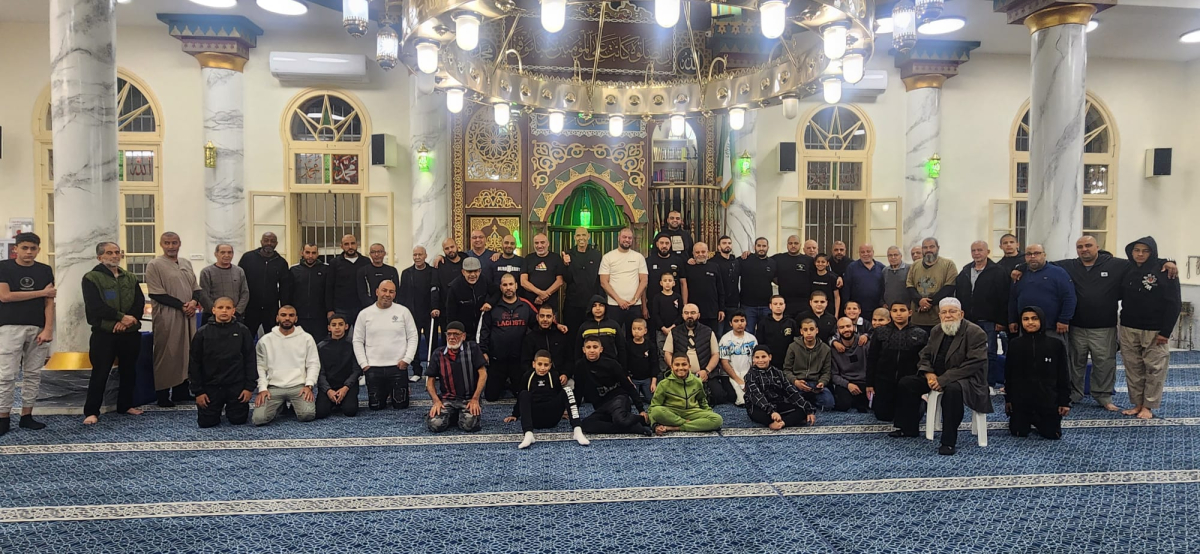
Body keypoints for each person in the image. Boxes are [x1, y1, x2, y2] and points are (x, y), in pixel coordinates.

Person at [1011, 235, 1176, 411]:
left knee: (1104, 364)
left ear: (1097, 247)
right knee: (1074, 363)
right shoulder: (1069, 265)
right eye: (1080, 247)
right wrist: (1020, 267)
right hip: (1077, 326)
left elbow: (1142, 261)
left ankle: (1103, 396)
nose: (1084, 249)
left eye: (1088, 245)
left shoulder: (1116, 264)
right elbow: (1040, 262)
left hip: (1104, 326)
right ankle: (1073, 394)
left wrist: (1167, 262)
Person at [891, 298, 992, 455]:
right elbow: (925, 355)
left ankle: (948, 442)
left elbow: (973, 364)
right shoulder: (937, 330)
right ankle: (908, 428)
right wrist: (929, 374)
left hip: (966, 379)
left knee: (952, 390)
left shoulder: (975, 332)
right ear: (939, 315)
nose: (948, 315)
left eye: (952, 311)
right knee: (907, 383)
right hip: (937, 375)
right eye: (944, 312)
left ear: (961, 314)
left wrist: (943, 380)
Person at [82, 241, 146, 424]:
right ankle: (91, 412)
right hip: (104, 334)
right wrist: (120, 318)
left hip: (129, 332)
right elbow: (95, 306)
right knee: (100, 372)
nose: (114, 256)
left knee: (129, 371)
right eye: (109, 253)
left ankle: (125, 405)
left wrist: (128, 320)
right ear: (99, 257)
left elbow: (139, 302)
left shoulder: (130, 277)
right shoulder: (91, 278)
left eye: (117, 252)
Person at [1118, 236, 1182, 420]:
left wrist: (1165, 332)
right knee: (1133, 368)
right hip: (1128, 327)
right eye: (1136, 250)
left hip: (1155, 330)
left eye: (1145, 251)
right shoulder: (1127, 269)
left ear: (1152, 252)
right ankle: (1137, 404)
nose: (1140, 254)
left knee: (1155, 368)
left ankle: (1148, 406)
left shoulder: (1165, 271)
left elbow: (1174, 304)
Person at [0, 232, 54, 435]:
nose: (29, 252)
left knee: (33, 374)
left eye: (33, 248)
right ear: (16, 249)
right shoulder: (4, 267)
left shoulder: (44, 270)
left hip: (38, 327)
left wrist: (48, 328)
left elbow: (49, 302)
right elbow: (5, 296)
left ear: (38, 250)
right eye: (25, 248)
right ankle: (3, 417)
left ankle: (27, 416)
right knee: (6, 375)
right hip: (10, 327)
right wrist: (41, 292)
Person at [145, 231, 202, 407]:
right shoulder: (154, 265)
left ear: (179, 243)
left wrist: (194, 302)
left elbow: (196, 288)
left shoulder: (185, 263)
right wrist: (182, 306)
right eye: (167, 243)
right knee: (167, 353)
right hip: (167, 315)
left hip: (188, 315)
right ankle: (163, 394)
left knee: (186, 352)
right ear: (161, 244)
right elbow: (156, 293)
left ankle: (181, 392)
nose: (171, 246)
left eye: (174, 243)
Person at [188, 297, 255, 428]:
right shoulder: (202, 333)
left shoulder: (243, 331)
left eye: (228, 308)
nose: (224, 311)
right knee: (207, 423)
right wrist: (198, 392)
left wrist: (249, 388)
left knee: (238, 420)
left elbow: (250, 360)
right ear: (213, 310)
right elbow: (194, 363)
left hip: (236, 386)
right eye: (220, 307)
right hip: (211, 386)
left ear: (233, 311)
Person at [1005, 306, 1070, 439]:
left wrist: (1064, 402)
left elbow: (1063, 375)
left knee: (1052, 435)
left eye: (1034, 318)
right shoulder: (1014, 344)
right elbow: (1009, 374)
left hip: (1048, 401)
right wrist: (1009, 400)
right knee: (1018, 432)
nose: (1030, 322)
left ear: (1042, 320)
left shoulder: (1055, 345)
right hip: (1022, 402)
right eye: (1026, 319)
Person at [354, 280, 419, 410]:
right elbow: (357, 340)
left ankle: (398, 389)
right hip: (373, 368)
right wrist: (364, 364)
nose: (387, 294)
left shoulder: (403, 312)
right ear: (377, 292)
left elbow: (413, 336)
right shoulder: (364, 314)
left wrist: (407, 359)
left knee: (401, 405)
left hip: (398, 367)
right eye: (384, 290)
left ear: (395, 294)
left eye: (391, 291)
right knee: (376, 407)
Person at [954, 240, 1010, 392]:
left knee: (989, 353)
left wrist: (1001, 320)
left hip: (989, 320)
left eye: (980, 250)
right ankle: (970, 383)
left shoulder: (998, 271)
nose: (976, 253)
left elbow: (1004, 297)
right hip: (968, 320)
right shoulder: (965, 271)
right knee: (967, 352)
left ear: (987, 252)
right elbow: (959, 294)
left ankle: (989, 384)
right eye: (973, 250)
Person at [505, 349, 590, 448]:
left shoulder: (554, 375)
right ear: (534, 364)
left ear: (550, 365)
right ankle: (528, 434)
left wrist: (562, 410)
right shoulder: (527, 376)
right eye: (539, 364)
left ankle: (577, 431)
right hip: (535, 418)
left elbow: (559, 395)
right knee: (524, 393)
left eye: (546, 365)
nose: (542, 368)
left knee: (567, 390)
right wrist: (515, 414)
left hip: (552, 417)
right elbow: (521, 397)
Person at [252, 306, 320, 426]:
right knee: (259, 419)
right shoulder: (265, 340)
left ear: (296, 318)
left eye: (291, 315)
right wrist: (262, 389)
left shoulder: (307, 338)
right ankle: (279, 406)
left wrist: (309, 385)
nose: (287, 318)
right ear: (277, 318)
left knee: (307, 415)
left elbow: (313, 363)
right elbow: (260, 366)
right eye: (283, 315)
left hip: (299, 386)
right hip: (273, 387)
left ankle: (294, 405)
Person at [576, 336, 652, 436]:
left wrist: (641, 409)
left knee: (620, 420)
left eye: (595, 347)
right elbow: (578, 390)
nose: (592, 350)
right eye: (588, 347)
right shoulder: (580, 366)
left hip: (618, 399)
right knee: (586, 425)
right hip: (601, 406)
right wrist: (573, 412)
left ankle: (641, 419)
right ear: (584, 350)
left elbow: (628, 386)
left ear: (601, 349)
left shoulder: (611, 364)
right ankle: (632, 427)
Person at [866, 302, 928, 423]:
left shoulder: (920, 333)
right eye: (895, 311)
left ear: (910, 312)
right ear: (890, 313)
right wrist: (870, 384)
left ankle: (921, 402)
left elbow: (924, 360)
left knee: (910, 415)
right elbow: (872, 358)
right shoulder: (880, 332)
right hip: (884, 381)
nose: (898, 314)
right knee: (883, 416)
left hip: (907, 382)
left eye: (902, 310)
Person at [480, 274, 538, 401]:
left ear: (516, 286)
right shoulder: (492, 307)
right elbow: (484, 331)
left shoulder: (525, 305)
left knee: (521, 395)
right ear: (500, 287)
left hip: (518, 360)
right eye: (505, 285)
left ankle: (509, 384)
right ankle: (503, 383)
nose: (508, 288)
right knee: (491, 397)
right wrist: (483, 351)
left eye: (511, 284)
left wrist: (557, 325)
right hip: (497, 359)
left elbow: (539, 324)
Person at [663, 304, 735, 405]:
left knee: (719, 395)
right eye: (686, 313)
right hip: (680, 373)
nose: (689, 316)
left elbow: (715, 354)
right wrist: (676, 369)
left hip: (704, 374)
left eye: (693, 313)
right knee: (667, 394)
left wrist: (706, 371)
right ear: (682, 315)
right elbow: (667, 353)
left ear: (699, 315)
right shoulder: (674, 332)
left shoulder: (708, 332)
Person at [1008, 244, 1076, 348]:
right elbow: (1013, 299)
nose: (1032, 257)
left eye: (1036, 253)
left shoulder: (1058, 273)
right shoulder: (1019, 275)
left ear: (1044, 255)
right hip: (1026, 328)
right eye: (1029, 254)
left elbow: (1069, 298)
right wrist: (1012, 320)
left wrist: (1064, 320)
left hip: (1053, 328)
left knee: (1054, 355)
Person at [425, 321, 487, 432]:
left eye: (456, 334)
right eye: (449, 334)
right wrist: (436, 401)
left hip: (468, 399)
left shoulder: (472, 348)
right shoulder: (438, 353)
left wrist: (475, 399)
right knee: (435, 425)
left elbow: (483, 374)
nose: (452, 337)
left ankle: (455, 416)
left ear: (463, 336)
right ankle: (453, 415)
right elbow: (430, 380)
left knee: (469, 426)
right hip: (447, 399)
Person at [744, 345, 816, 429]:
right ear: (753, 359)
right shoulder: (750, 375)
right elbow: (756, 395)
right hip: (759, 406)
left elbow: (791, 391)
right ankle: (774, 421)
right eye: (757, 357)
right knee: (761, 415)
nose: (760, 360)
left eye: (763, 357)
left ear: (770, 357)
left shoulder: (778, 372)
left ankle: (782, 422)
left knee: (802, 410)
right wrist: (771, 411)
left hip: (776, 403)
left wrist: (808, 409)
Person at [649, 356, 724, 435]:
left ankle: (675, 428)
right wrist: (654, 425)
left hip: (692, 412)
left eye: (684, 364)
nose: (680, 368)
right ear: (672, 367)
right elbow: (653, 407)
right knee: (656, 411)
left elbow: (702, 401)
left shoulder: (697, 382)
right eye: (677, 365)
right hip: (672, 414)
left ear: (689, 366)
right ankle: (690, 424)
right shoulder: (663, 384)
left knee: (718, 419)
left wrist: (709, 414)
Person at [238, 232, 293, 336]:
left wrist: (284, 308)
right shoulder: (248, 258)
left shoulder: (281, 262)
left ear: (276, 243)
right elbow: (240, 281)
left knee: (274, 337)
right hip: (250, 307)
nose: (269, 243)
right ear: (261, 242)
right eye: (266, 240)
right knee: (246, 337)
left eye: (272, 241)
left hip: (271, 309)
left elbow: (285, 288)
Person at [600, 228, 648, 332]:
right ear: (619, 238)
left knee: (635, 336)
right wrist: (619, 300)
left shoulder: (639, 257)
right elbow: (603, 282)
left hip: (634, 305)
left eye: (629, 238)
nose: (627, 240)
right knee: (613, 334)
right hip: (614, 305)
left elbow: (644, 280)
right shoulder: (608, 257)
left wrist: (635, 299)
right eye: (624, 237)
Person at [398, 246, 436, 381]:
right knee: (414, 343)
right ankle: (416, 371)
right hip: (412, 314)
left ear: (425, 256)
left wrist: (435, 307)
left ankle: (433, 371)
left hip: (430, 314)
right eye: (415, 255)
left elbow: (436, 291)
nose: (417, 257)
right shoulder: (406, 273)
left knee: (432, 343)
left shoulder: (433, 272)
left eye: (420, 254)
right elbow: (402, 294)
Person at [562, 227, 602, 351]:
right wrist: (565, 265)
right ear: (574, 237)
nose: (581, 238)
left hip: (591, 305)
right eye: (578, 235)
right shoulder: (568, 254)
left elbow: (599, 279)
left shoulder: (596, 255)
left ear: (588, 236)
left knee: (591, 336)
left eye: (583, 235)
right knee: (572, 337)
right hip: (572, 304)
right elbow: (566, 279)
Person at [906, 237, 957, 332]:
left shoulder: (948, 265)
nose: (928, 250)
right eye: (925, 247)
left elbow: (949, 287)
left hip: (939, 318)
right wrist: (920, 301)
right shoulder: (915, 265)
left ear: (938, 248)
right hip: (917, 318)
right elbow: (909, 286)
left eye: (932, 247)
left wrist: (928, 303)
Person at [783, 318, 834, 410]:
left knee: (829, 403)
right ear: (801, 332)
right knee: (786, 401)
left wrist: (822, 382)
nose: (809, 333)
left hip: (815, 384)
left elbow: (826, 372)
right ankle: (807, 401)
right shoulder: (793, 347)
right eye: (805, 330)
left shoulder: (825, 349)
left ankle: (805, 401)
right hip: (798, 382)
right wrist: (795, 381)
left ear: (817, 330)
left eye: (811, 329)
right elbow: (786, 370)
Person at [315, 314, 360, 419]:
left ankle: (341, 401)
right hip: (329, 386)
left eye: (340, 324)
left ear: (346, 326)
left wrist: (345, 388)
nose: (337, 327)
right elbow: (319, 372)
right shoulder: (321, 347)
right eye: (334, 325)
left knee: (350, 411)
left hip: (347, 386)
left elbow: (356, 370)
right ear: (329, 328)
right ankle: (333, 401)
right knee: (321, 413)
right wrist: (328, 390)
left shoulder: (353, 345)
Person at [290, 243, 332, 343]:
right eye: (307, 252)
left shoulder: (326, 270)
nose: (310, 256)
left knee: (319, 344)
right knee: (300, 343)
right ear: (302, 253)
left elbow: (330, 291)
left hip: (320, 316)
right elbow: (289, 292)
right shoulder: (294, 270)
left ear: (318, 254)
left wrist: (330, 310)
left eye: (313, 253)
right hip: (300, 315)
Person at [442, 257, 491, 340]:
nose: (472, 275)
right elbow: (450, 315)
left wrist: (489, 302)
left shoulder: (484, 281)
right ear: (463, 272)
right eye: (469, 271)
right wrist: (455, 333)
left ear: (480, 271)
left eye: (475, 271)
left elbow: (496, 292)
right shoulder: (454, 288)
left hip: (482, 331)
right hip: (463, 333)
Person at [199, 244, 249, 323]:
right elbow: (203, 295)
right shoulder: (207, 272)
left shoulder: (239, 271)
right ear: (216, 254)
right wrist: (217, 312)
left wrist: (236, 312)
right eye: (222, 252)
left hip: (235, 317)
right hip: (212, 317)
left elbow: (245, 293)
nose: (226, 255)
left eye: (229, 252)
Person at [830, 317, 870, 413]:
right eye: (842, 327)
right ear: (838, 331)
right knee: (843, 405)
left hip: (864, 381)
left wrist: (870, 384)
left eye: (848, 326)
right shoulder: (833, 349)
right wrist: (848, 385)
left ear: (854, 327)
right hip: (846, 382)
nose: (846, 329)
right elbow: (833, 375)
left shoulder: (865, 344)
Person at [683, 242, 725, 330]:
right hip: (693, 312)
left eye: (703, 252)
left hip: (712, 311)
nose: (700, 254)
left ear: (707, 252)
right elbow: (684, 287)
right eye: (697, 252)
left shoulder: (714, 266)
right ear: (693, 253)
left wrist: (721, 309)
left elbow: (720, 289)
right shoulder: (687, 267)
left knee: (712, 336)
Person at [643, 235, 687, 317]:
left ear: (670, 244)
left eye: (667, 243)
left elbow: (683, 283)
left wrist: (685, 305)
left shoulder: (678, 261)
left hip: (674, 305)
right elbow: (644, 285)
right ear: (657, 244)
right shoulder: (648, 261)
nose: (664, 246)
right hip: (653, 305)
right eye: (661, 243)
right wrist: (644, 307)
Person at [648, 272, 682, 376]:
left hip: (675, 331)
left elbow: (680, 314)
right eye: (665, 281)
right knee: (662, 352)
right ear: (661, 283)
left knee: (676, 351)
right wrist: (663, 328)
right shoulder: (657, 297)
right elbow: (655, 314)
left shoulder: (677, 297)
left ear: (674, 283)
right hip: (661, 331)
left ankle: (675, 372)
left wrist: (673, 327)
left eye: (670, 280)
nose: (667, 283)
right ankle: (664, 373)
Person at [739, 237, 776, 334]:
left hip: (766, 306)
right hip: (748, 306)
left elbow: (777, 279)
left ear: (768, 247)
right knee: (748, 334)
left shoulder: (772, 263)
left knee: (766, 333)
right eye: (759, 246)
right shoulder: (745, 259)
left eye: (764, 246)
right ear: (754, 247)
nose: (761, 248)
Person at [718, 311, 756, 405]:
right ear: (730, 323)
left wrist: (748, 379)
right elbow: (724, 363)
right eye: (736, 321)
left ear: (746, 322)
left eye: (742, 320)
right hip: (730, 375)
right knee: (732, 397)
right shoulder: (725, 339)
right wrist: (739, 381)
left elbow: (755, 361)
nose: (740, 324)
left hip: (748, 373)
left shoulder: (752, 339)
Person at [576, 295, 626, 366]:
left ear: (606, 307)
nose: (598, 308)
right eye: (594, 306)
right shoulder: (584, 327)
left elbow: (621, 348)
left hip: (610, 365)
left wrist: (623, 368)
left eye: (601, 305)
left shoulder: (613, 325)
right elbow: (578, 349)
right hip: (589, 366)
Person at [773, 235, 814, 320]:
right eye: (790, 243)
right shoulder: (778, 258)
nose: (793, 245)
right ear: (787, 244)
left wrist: (837, 277)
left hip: (804, 303)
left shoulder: (809, 260)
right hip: (785, 302)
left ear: (800, 245)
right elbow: (763, 260)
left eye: (796, 243)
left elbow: (822, 271)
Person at [328, 234, 365, 326]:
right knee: (340, 333)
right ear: (341, 246)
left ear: (357, 245)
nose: (350, 247)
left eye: (352, 243)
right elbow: (329, 287)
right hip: (341, 308)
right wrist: (329, 309)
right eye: (346, 244)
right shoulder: (334, 263)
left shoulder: (365, 262)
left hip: (361, 307)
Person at [430, 238, 464, 335]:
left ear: (457, 246)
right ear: (443, 250)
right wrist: (435, 307)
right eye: (447, 248)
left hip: (464, 309)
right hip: (446, 310)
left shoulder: (466, 260)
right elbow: (435, 287)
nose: (450, 250)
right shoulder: (439, 264)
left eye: (452, 247)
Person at [520, 233, 565, 309]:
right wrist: (540, 293)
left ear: (548, 244)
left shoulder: (556, 258)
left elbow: (560, 281)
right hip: (531, 303)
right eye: (536, 243)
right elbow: (523, 282)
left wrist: (544, 295)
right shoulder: (528, 258)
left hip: (551, 304)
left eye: (542, 242)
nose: (539, 246)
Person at [521, 305, 569, 371]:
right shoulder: (529, 338)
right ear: (537, 317)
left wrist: (565, 374)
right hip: (537, 375)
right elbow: (525, 364)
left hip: (559, 375)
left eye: (548, 316)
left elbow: (569, 359)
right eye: (542, 316)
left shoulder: (561, 336)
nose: (545, 319)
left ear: (553, 318)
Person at [842, 244, 884, 318]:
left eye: (868, 251)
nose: (865, 254)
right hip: (857, 311)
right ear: (859, 253)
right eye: (862, 252)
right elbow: (846, 288)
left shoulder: (881, 267)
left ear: (873, 252)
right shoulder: (852, 267)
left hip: (877, 309)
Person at [712, 236, 742, 337]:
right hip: (718, 305)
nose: (727, 245)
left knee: (731, 334)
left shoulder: (736, 262)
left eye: (729, 243)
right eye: (724, 243)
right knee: (718, 334)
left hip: (733, 303)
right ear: (719, 246)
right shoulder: (713, 262)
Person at [356, 243, 401, 310]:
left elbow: (395, 291)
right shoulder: (362, 271)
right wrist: (375, 307)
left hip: (389, 307)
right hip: (369, 308)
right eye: (373, 252)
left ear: (384, 253)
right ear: (370, 254)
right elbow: (362, 293)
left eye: (379, 252)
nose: (376, 254)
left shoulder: (392, 271)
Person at [755, 296, 796, 366]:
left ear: (785, 306)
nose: (778, 306)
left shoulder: (791, 322)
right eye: (775, 304)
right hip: (770, 361)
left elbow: (795, 341)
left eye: (781, 304)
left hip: (788, 359)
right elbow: (760, 343)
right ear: (770, 306)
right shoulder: (763, 323)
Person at [627, 318, 658, 403]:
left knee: (651, 399)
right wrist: (628, 381)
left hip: (646, 379)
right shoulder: (627, 345)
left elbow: (654, 364)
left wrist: (653, 382)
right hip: (633, 379)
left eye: (639, 329)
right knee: (631, 400)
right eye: (634, 329)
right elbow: (624, 364)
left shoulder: (650, 345)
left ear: (645, 331)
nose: (636, 331)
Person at [882, 246, 910, 311]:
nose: (893, 257)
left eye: (895, 255)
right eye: (890, 255)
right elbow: (882, 288)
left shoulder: (909, 269)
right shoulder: (885, 271)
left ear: (901, 256)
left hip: (905, 308)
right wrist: (882, 303)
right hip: (889, 308)